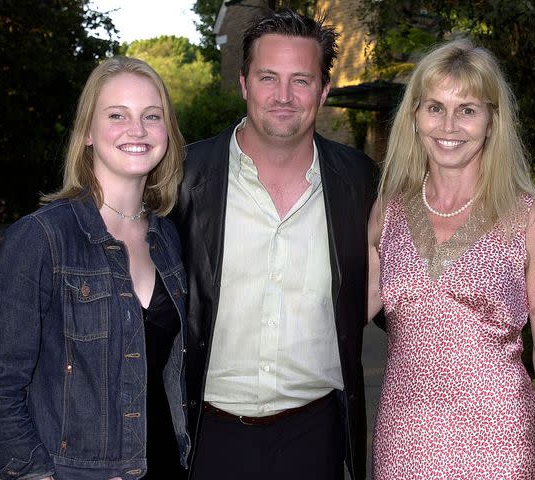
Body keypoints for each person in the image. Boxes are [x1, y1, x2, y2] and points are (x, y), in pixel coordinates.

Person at [172, 9, 376, 480]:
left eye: (301, 80)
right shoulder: (184, 178)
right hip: (206, 437)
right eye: (268, 77)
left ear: (323, 91)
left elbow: (400, 295)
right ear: (244, 83)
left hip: (316, 437)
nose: (283, 96)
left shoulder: (360, 182)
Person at [368, 38, 535, 479]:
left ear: (492, 121)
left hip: (503, 442)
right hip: (405, 442)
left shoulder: (531, 218)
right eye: (434, 107)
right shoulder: (388, 209)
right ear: (414, 116)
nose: (449, 125)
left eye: (467, 109)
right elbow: (341, 317)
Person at [0, 56, 190, 480]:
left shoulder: (167, 238)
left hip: (166, 466)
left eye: (151, 116)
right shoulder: (41, 239)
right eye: (116, 115)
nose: (137, 130)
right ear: (87, 132)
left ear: (168, 132)